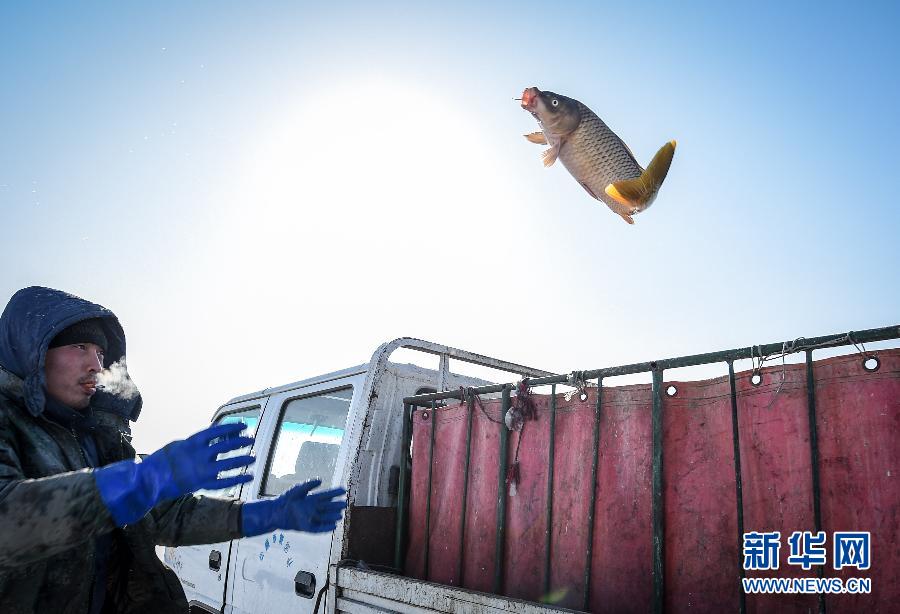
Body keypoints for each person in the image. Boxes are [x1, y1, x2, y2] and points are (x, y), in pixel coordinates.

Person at [0, 286, 347, 613]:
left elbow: (159, 515)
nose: (95, 364)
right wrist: (143, 480)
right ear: (34, 349)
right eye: (80, 348)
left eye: (101, 353)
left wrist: (262, 515)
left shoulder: (97, 437)